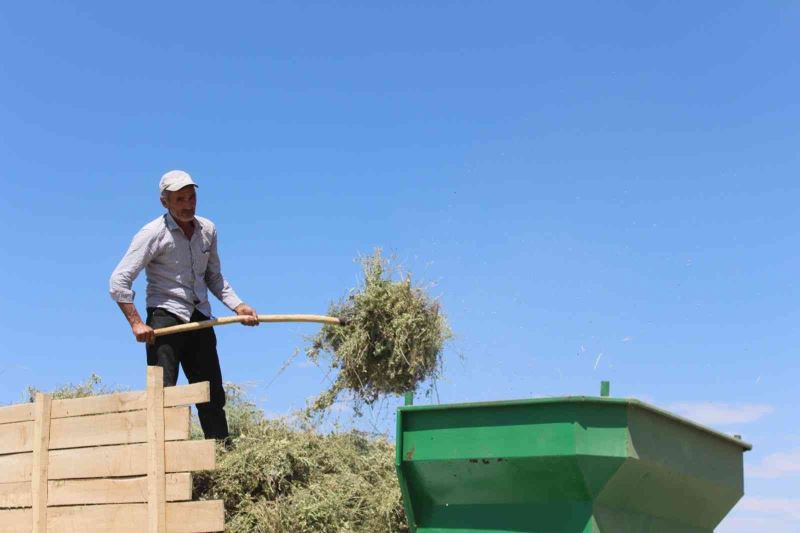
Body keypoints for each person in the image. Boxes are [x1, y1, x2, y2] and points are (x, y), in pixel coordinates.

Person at [109, 170, 258, 440]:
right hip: (165, 320)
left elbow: (213, 277)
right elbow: (118, 281)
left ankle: (220, 456)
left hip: (200, 317)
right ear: (164, 202)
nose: (188, 205)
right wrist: (136, 323)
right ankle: (164, 459)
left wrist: (239, 306)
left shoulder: (208, 230)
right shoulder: (152, 233)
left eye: (191, 197)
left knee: (211, 393)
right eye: (180, 200)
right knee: (164, 394)